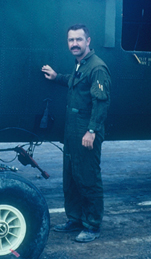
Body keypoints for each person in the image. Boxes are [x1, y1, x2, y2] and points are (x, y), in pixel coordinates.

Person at [41, 24, 111, 243]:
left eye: (79, 40)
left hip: (86, 132)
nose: (74, 44)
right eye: (71, 40)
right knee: (71, 177)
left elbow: (101, 102)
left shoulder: (97, 67)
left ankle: (92, 225)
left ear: (88, 41)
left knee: (88, 177)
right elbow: (75, 83)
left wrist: (91, 131)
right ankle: (75, 219)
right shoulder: (81, 64)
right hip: (72, 132)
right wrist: (56, 77)